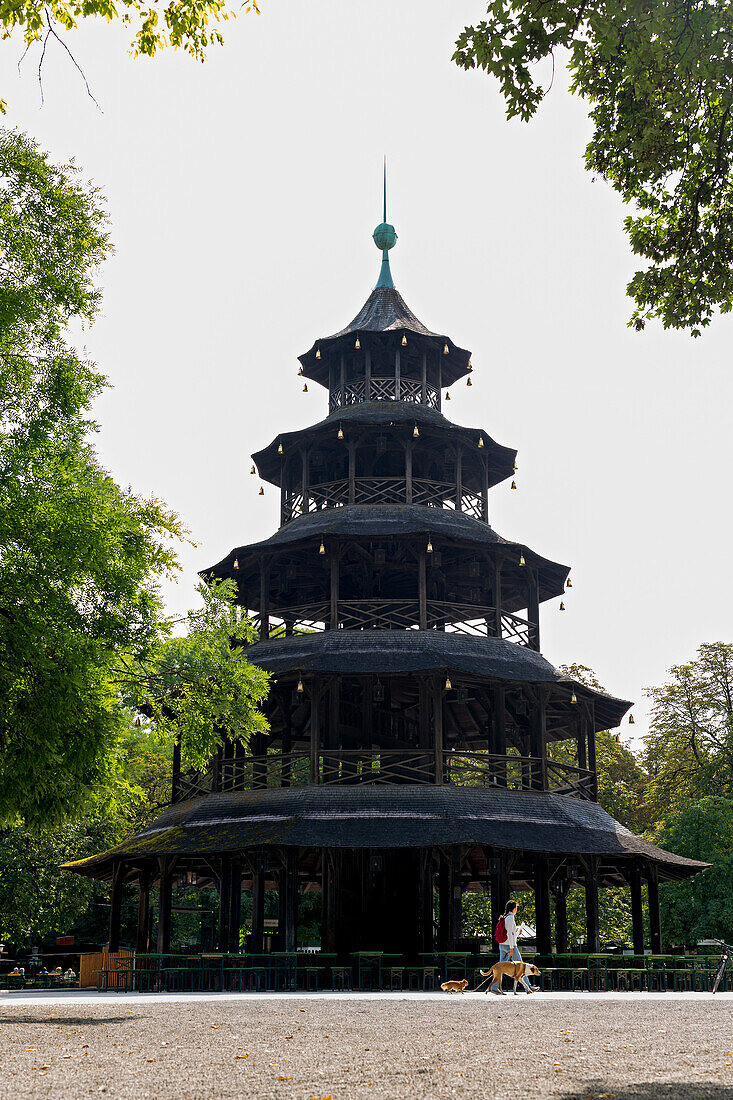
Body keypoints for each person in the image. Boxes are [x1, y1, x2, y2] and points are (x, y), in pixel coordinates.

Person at [490, 900, 535, 995]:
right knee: (521, 967)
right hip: (510, 946)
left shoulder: (505, 916)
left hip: (502, 945)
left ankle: (494, 987)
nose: (517, 910)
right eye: (516, 908)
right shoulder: (510, 918)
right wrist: (511, 948)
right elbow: (510, 934)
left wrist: (518, 931)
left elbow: (511, 933)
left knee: (500, 967)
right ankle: (528, 988)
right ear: (514, 909)